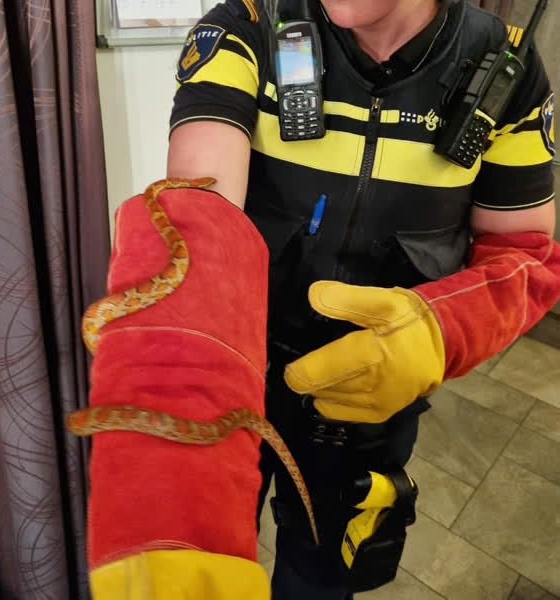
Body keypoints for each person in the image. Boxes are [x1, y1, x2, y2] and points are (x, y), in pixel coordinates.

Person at [84, 0, 559, 598]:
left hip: (368, 410)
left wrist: (444, 329)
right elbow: (199, 231)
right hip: (242, 381)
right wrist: (170, 506)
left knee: (323, 573)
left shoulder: (509, 66)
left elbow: (523, 256)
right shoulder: (245, 28)